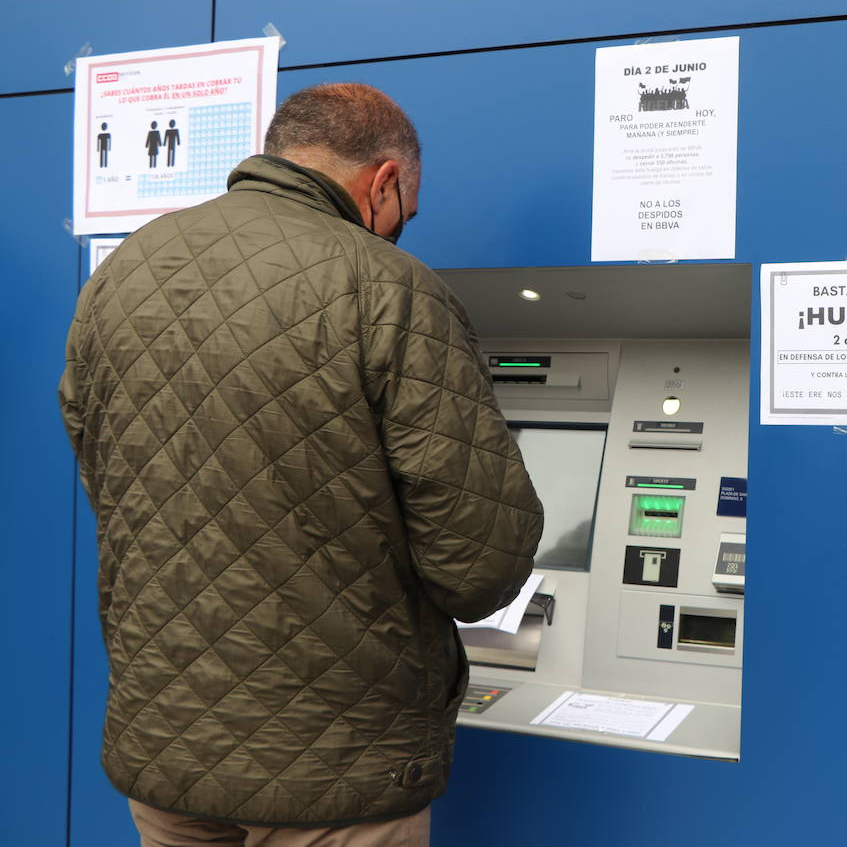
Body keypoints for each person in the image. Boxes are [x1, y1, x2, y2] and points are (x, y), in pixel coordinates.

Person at [59, 83, 544, 845]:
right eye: (402, 221)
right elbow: (478, 566)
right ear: (383, 182)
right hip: (335, 764)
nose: (397, 237)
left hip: (168, 740)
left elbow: (109, 475)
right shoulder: (389, 288)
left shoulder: (124, 276)